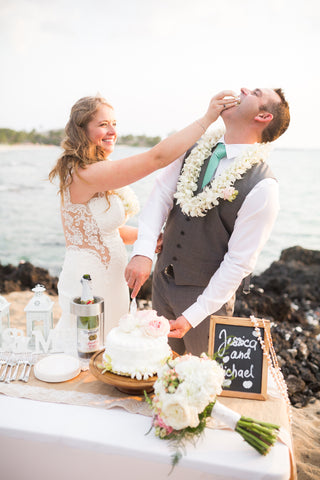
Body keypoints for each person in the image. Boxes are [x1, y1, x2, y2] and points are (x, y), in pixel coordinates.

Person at [49, 92, 238, 339]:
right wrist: (207, 119)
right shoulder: (83, 172)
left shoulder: (95, 170)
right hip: (89, 280)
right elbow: (156, 157)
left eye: (114, 124)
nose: (111, 131)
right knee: (85, 347)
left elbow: (104, 232)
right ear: (81, 129)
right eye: (103, 124)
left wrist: (146, 239)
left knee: (109, 345)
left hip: (112, 278)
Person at [125, 87, 290, 356]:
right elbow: (160, 197)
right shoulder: (193, 146)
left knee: (199, 384)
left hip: (205, 304)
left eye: (255, 92)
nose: (243, 89)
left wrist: (194, 314)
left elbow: (239, 262)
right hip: (161, 284)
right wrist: (142, 252)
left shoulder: (264, 187)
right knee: (155, 370)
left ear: (263, 116)